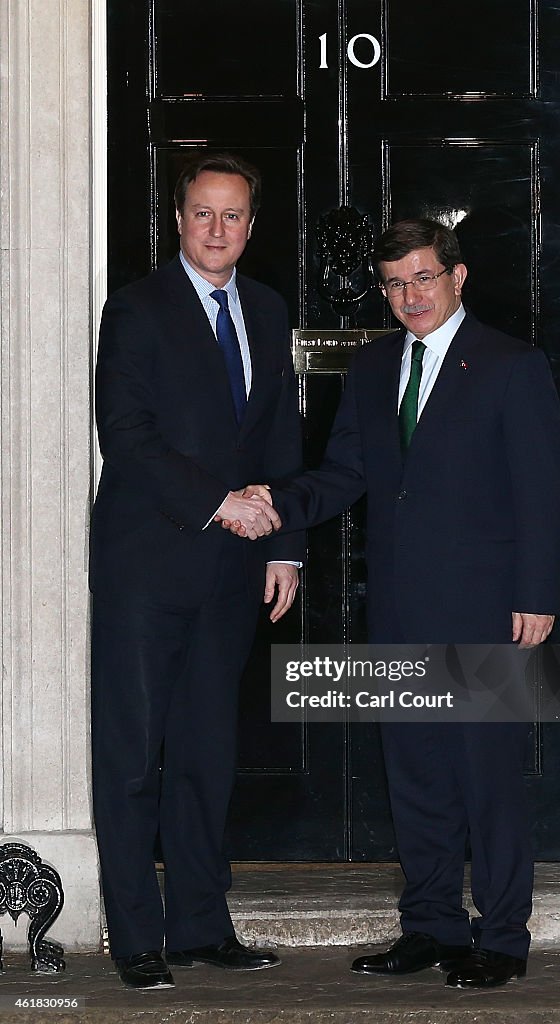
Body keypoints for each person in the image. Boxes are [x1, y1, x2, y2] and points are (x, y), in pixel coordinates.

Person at [232, 218, 560, 989]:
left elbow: (541, 492)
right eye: (394, 283)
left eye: (422, 277)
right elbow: (344, 472)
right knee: (415, 770)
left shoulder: (510, 365)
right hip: (399, 602)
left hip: (491, 607)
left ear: (456, 277)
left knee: (484, 773)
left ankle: (503, 937)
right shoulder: (376, 366)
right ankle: (429, 926)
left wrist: (536, 595)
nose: (409, 295)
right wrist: (277, 503)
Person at [89, 153, 304, 990]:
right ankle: (135, 936)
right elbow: (128, 435)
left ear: (252, 227)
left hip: (234, 569)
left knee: (208, 756)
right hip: (148, 566)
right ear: (178, 221)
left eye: (234, 216)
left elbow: (279, 436)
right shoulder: (137, 310)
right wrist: (221, 501)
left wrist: (285, 541)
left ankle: (200, 928)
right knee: (135, 756)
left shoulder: (265, 307)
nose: (218, 230)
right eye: (203, 214)